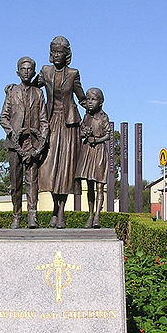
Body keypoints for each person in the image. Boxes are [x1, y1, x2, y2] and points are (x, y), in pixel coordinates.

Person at [35, 36, 86, 228]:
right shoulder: (45, 71)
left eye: (60, 52)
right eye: (54, 52)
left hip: (68, 125)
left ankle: (61, 212)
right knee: (49, 168)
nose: (57, 55)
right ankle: (55, 208)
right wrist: (13, 89)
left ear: (67, 55)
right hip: (50, 122)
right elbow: (32, 86)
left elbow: (81, 97)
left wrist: (95, 113)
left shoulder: (73, 74)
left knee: (65, 169)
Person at [0, 57, 49, 229]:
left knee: (32, 182)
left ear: (34, 72)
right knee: (15, 183)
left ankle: (32, 216)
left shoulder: (38, 93)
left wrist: (41, 141)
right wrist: (13, 133)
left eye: (29, 69)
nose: (26, 71)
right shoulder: (12, 92)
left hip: (33, 144)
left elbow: (44, 120)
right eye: (23, 68)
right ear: (17, 72)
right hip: (15, 145)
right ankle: (16, 216)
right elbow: (3, 118)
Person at [75, 87, 110, 228]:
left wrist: (97, 139)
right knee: (89, 185)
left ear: (100, 102)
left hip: (99, 152)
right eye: (88, 99)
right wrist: (84, 132)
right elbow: (81, 132)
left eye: (93, 99)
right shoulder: (86, 116)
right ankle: (90, 215)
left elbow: (108, 134)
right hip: (87, 151)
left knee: (99, 186)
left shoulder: (103, 117)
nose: (90, 102)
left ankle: (97, 217)